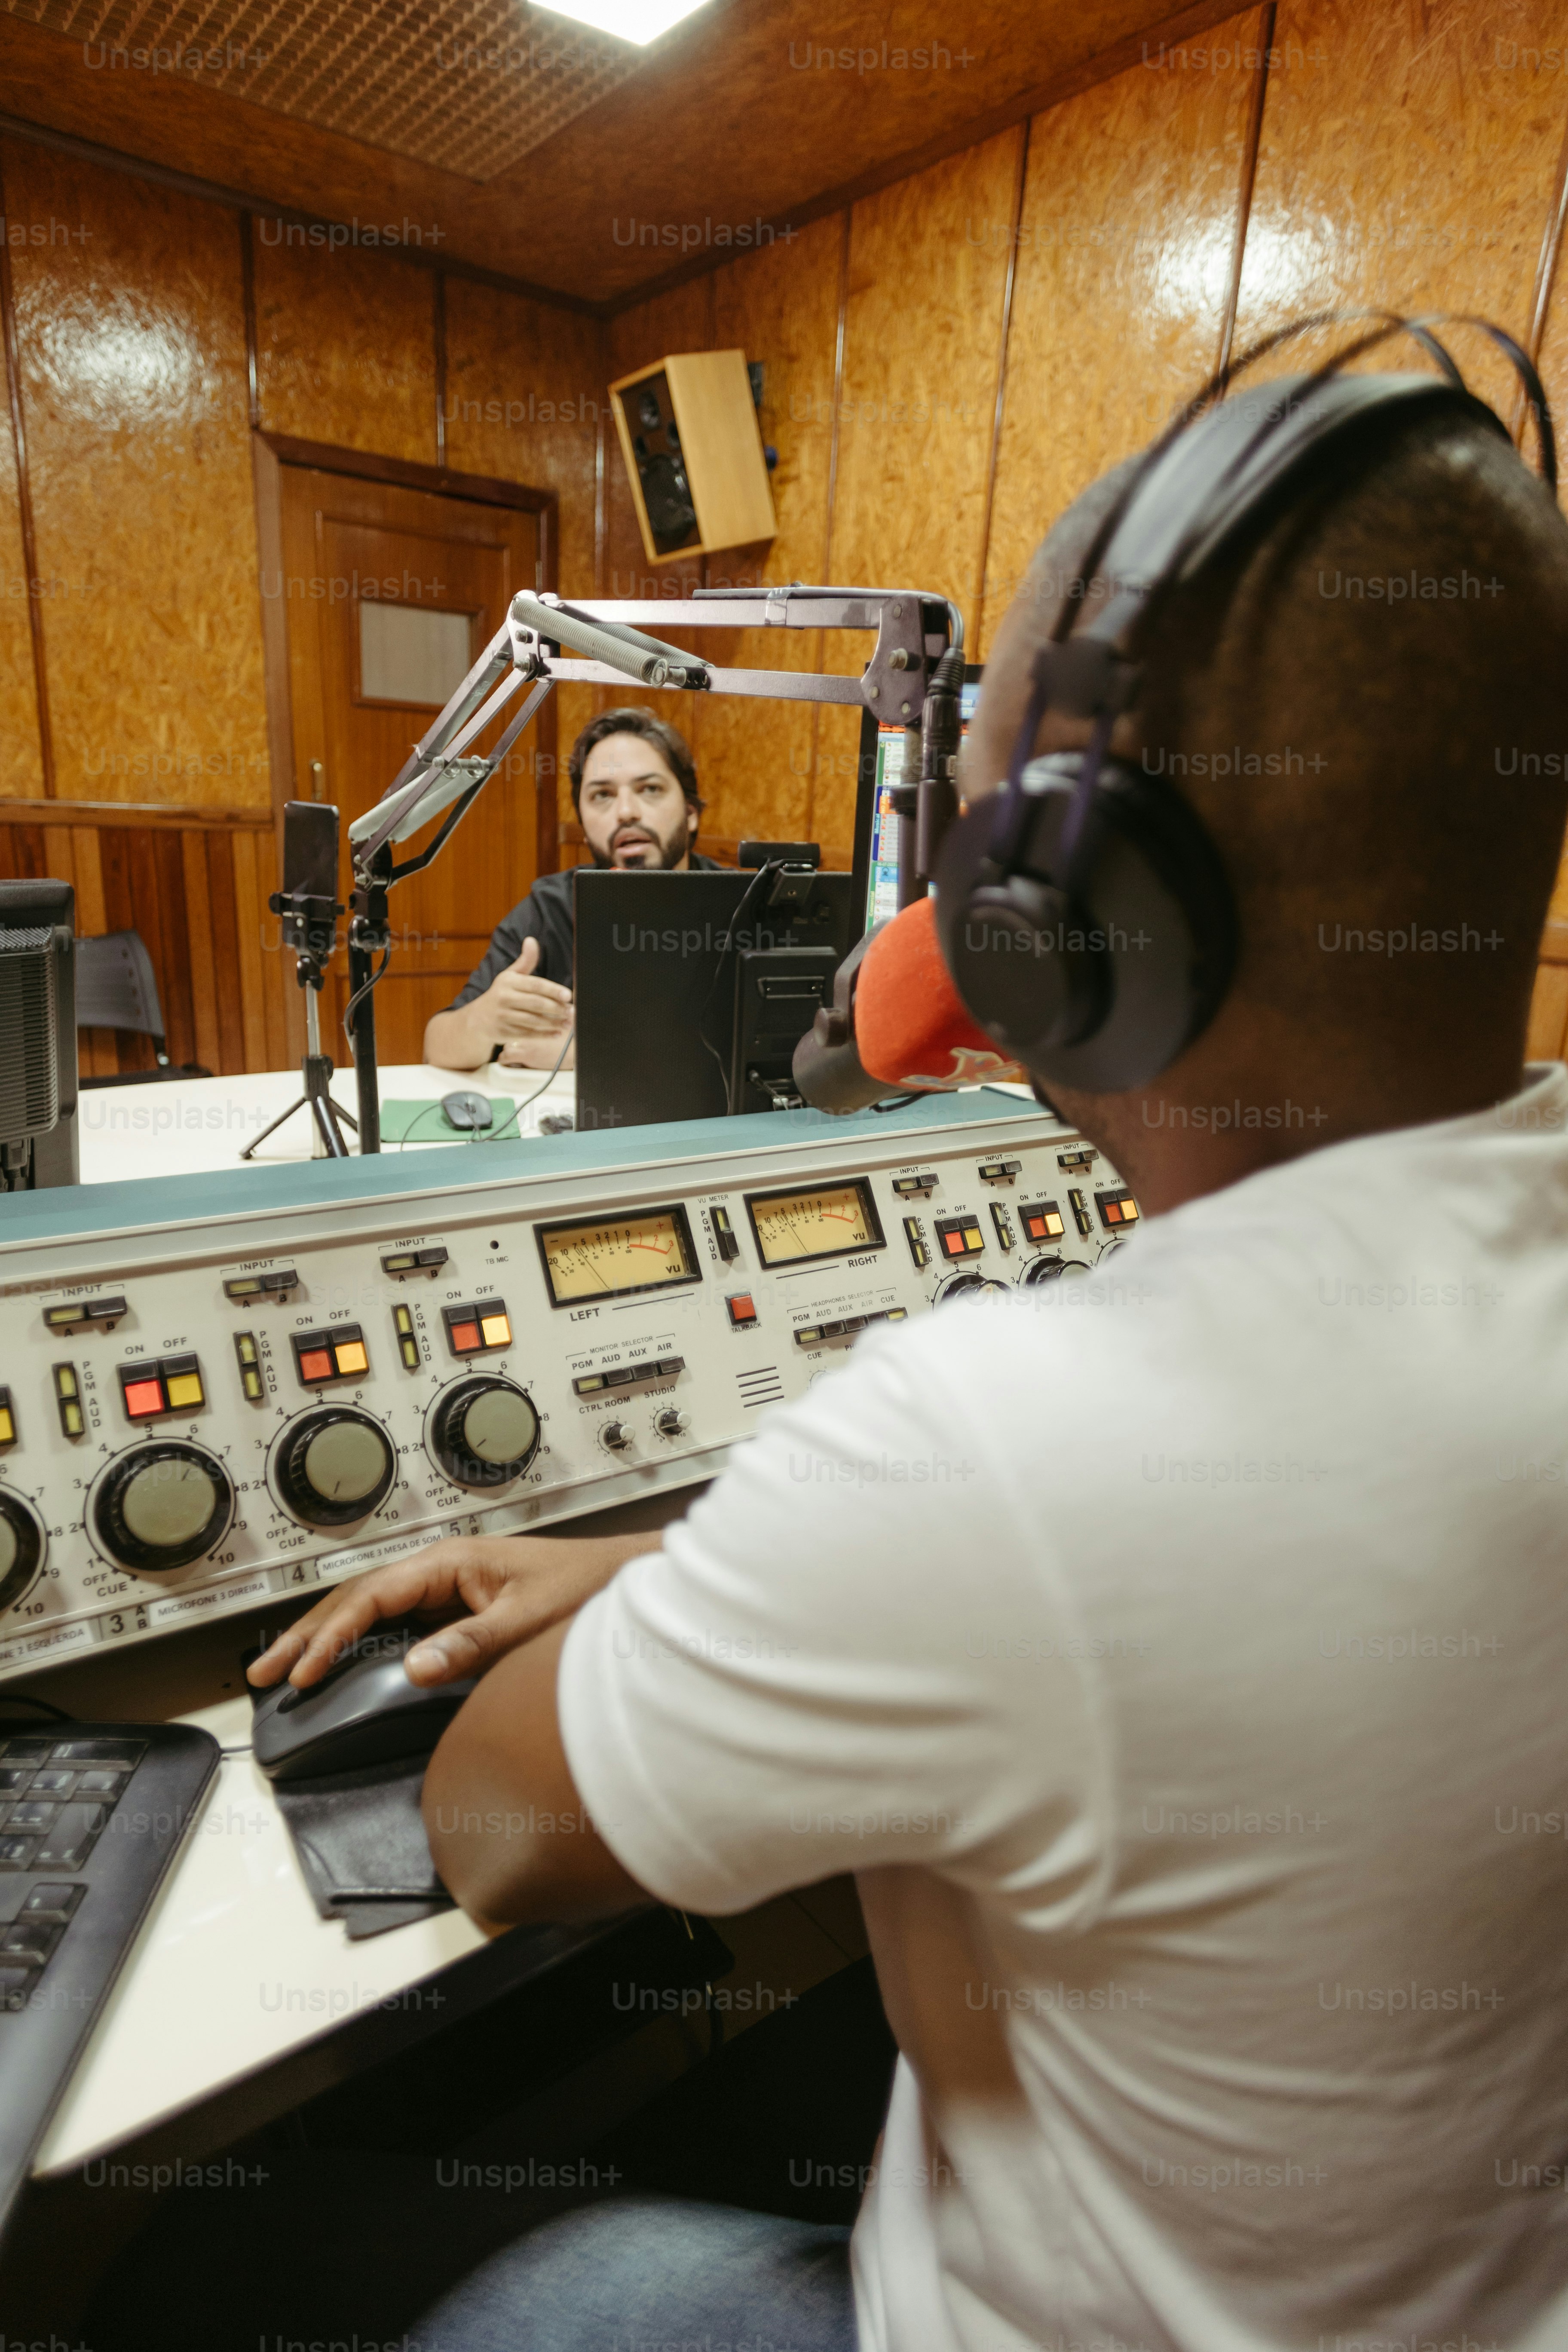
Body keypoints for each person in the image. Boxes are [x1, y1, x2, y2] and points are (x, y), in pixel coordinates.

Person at [250, 387, 1568, 2352]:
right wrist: (669, 1571)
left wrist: (755, 1578)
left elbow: (496, 1827)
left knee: (227, 2254)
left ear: (1056, 917)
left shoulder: (1001, 1442)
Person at [423, 706, 723, 1072]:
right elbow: (436, 1047)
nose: (627, 811)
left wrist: (593, 1054)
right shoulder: (552, 908)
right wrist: (484, 1021)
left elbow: (787, 1050)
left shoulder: (743, 902)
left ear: (691, 812)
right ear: (583, 825)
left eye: (650, 789)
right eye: (602, 795)